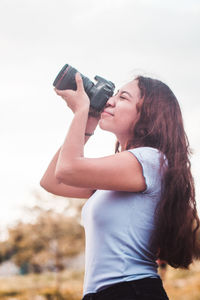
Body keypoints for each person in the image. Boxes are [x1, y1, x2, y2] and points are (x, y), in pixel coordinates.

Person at [40, 72, 200, 300]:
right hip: (108, 293)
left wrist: (81, 112)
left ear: (148, 114)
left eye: (123, 97)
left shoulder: (150, 161)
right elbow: (52, 181)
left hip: (130, 290)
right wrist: (88, 122)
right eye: (113, 94)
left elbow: (67, 169)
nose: (110, 100)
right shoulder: (122, 176)